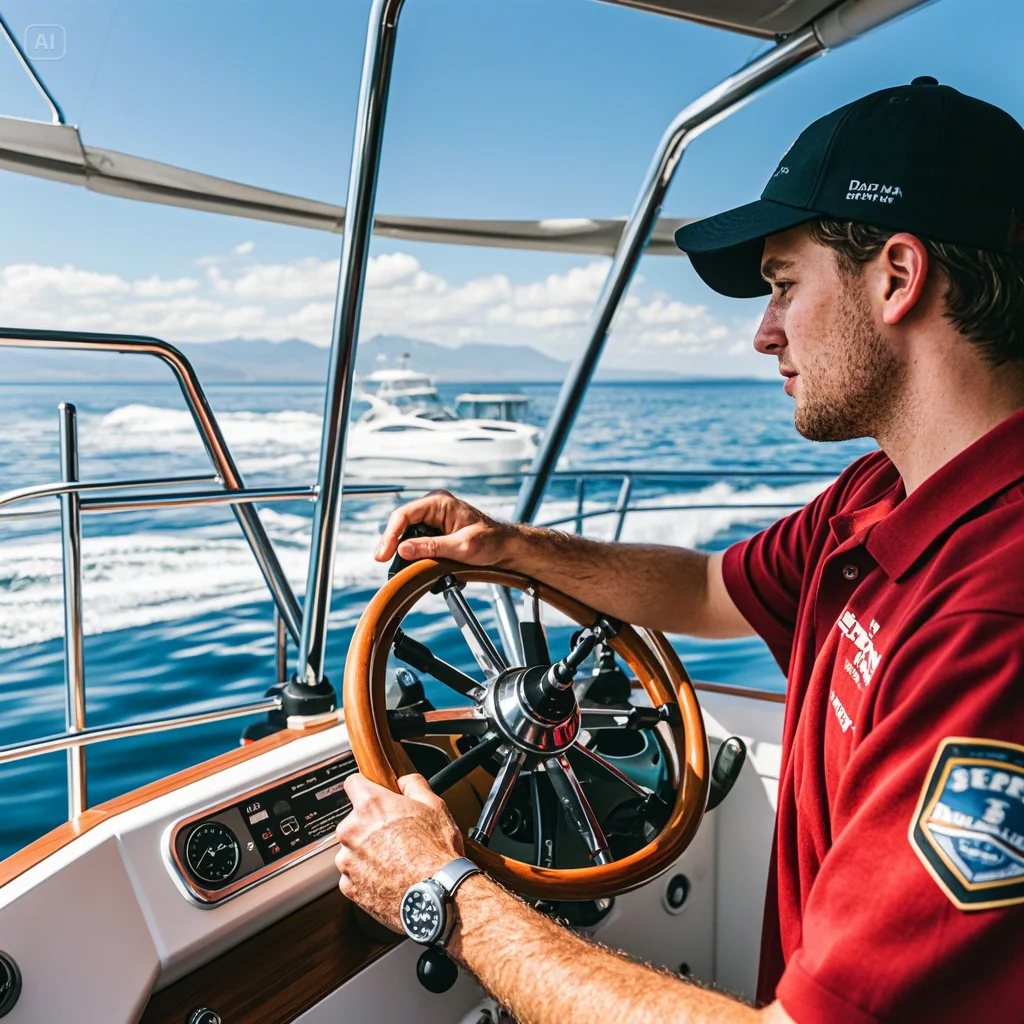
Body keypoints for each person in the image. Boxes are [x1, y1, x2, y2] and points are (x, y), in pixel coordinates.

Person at [334, 78, 1024, 1024]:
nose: (762, 332)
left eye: (784, 286)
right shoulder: (880, 499)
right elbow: (707, 587)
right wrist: (511, 548)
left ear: (898, 278)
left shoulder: (992, 618)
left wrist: (444, 890)